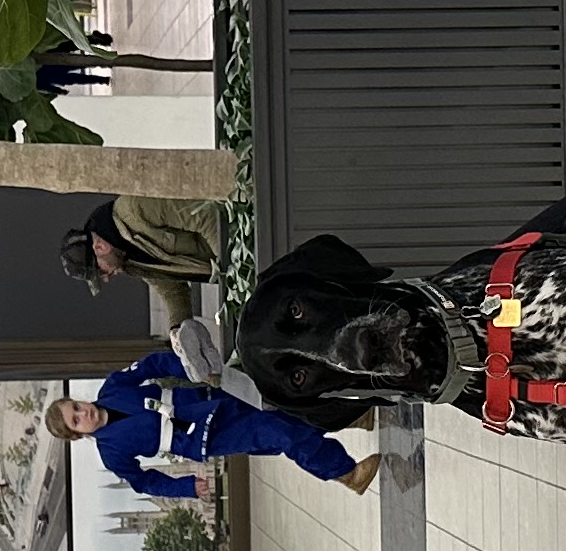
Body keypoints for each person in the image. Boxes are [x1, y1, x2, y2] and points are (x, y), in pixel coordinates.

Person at [50, 356, 381, 498]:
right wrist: (186, 487)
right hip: (206, 437)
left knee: (281, 410)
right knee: (277, 433)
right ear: (77, 434)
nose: (84, 413)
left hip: (209, 396)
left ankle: (349, 418)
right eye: (76, 420)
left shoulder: (113, 386)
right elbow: (144, 482)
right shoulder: (111, 454)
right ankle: (344, 473)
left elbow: (153, 363)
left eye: (76, 407)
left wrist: (192, 365)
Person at [63, 195, 228, 343]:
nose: (105, 278)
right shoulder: (128, 263)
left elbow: (207, 217)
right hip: (235, 261)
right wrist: (177, 330)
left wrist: (231, 265)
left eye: (100, 271)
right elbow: (171, 290)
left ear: (100, 247)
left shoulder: (136, 209)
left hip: (238, 232)